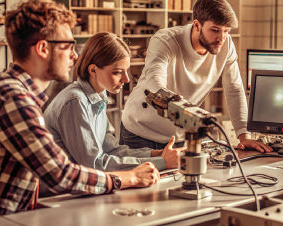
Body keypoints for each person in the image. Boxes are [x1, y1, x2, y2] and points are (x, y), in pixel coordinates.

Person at [0, 0, 159, 219]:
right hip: (0, 220)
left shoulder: (13, 90)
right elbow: (59, 173)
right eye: (67, 46)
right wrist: (129, 178)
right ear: (43, 48)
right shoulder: (12, 98)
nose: (75, 56)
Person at [120, 0, 272, 153]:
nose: (221, 38)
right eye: (215, 30)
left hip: (179, 137)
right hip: (139, 134)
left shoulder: (226, 45)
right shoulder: (165, 40)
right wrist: (192, 114)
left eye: (226, 31)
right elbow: (155, 82)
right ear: (197, 25)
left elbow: (234, 90)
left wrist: (244, 136)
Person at [43, 32, 184, 173]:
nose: (126, 79)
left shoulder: (98, 95)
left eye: (126, 71)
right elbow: (93, 165)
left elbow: (112, 150)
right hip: (58, 192)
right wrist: (162, 163)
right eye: (117, 72)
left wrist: (157, 154)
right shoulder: (75, 102)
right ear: (93, 70)